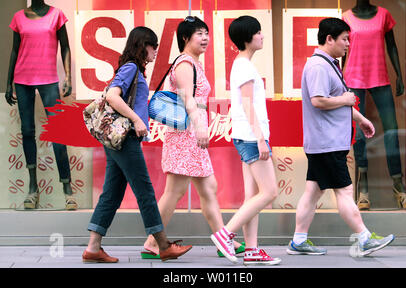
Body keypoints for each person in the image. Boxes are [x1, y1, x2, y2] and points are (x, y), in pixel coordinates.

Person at [82, 26, 192, 263]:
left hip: (119, 141)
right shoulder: (131, 68)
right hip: (126, 139)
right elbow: (112, 95)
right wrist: (136, 119)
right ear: (143, 46)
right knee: (145, 191)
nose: (155, 52)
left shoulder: (133, 69)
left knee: (111, 193)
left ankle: (93, 247)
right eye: (153, 47)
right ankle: (163, 245)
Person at [286, 17, 395, 257]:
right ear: (329, 39)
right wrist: (346, 100)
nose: (348, 44)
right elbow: (319, 100)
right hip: (327, 142)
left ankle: (298, 240)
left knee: (313, 191)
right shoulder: (318, 66)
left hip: (325, 142)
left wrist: (360, 118)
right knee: (344, 191)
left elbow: (336, 99)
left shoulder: (328, 64)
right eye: (345, 39)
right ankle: (364, 238)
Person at [142, 16, 245, 259]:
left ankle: (223, 241)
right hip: (186, 135)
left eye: (206, 33)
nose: (205, 38)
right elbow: (188, 99)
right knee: (174, 192)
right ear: (185, 38)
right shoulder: (185, 63)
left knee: (209, 188)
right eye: (199, 33)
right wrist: (200, 127)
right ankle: (152, 242)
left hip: (191, 136)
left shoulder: (194, 63)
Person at [210, 16, 281, 266]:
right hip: (252, 137)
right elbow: (249, 105)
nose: (262, 36)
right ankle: (225, 234)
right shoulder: (245, 67)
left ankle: (252, 250)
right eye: (258, 33)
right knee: (269, 192)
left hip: (246, 136)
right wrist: (261, 140)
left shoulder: (242, 65)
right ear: (247, 38)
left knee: (252, 195)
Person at [6, 0, 76, 210]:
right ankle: (32, 187)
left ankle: (67, 187)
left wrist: (67, 76)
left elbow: (65, 47)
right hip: (23, 79)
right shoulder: (18, 17)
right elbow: (15, 51)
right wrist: (8, 83)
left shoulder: (56, 15)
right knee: (28, 132)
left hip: (48, 80)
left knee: (58, 133)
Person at [342, 0, 406, 210]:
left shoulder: (383, 15)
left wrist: (399, 77)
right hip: (353, 80)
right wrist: (339, 82)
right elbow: (342, 51)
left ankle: (399, 187)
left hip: (380, 78)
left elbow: (391, 45)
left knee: (392, 131)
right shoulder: (345, 18)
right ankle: (363, 191)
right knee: (359, 136)